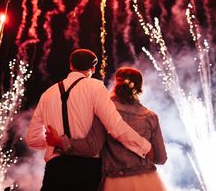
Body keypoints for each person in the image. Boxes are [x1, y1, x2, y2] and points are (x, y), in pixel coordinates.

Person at [25, 49, 152, 191]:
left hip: (55, 169)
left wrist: (55, 143)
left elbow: (32, 139)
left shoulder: (47, 94)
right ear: (93, 68)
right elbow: (115, 126)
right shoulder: (96, 87)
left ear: (71, 66)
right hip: (86, 170)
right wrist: (144, 147)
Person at [46, 67, 168, 191]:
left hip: (117, 181)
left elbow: (92, 147)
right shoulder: (150, 117)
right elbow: (161, 158)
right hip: (149, 181)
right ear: (140, 88)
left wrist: (61, 142)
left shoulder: (105, 111)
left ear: (115, 84)